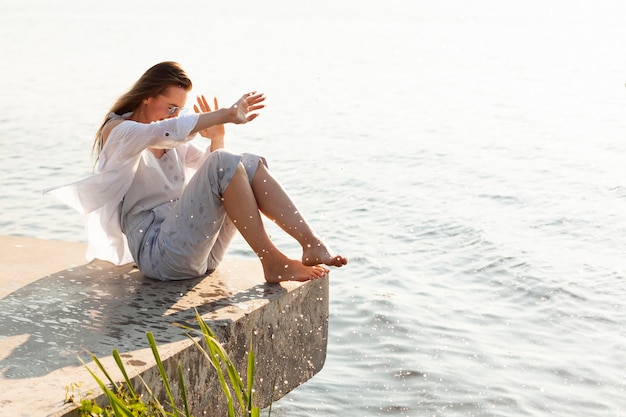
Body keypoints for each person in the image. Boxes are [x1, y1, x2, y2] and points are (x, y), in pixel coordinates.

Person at [45, 61, 347, 283]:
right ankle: (272, 260)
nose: (175, 114)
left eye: (180, 109)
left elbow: (220, 177)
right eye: (171, 107)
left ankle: (311, 242)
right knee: (224, 162)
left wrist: (217, 136)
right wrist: (228, 114)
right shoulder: (120, 133)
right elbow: (168, 131)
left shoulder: (169, 139)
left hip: (199, 253)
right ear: (147, 97)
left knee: (248, 161)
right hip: (157, 254)